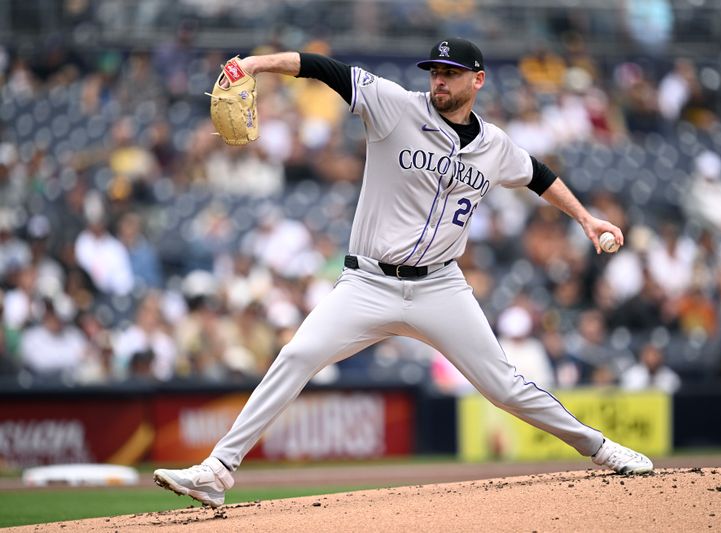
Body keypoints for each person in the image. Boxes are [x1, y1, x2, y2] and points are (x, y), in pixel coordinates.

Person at [154, 37, 653, 508]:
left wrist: (586, 218)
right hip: (367, 283)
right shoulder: (393, 105)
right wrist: (258, 65)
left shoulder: (494, 145)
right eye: (435, 71)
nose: (439, 80)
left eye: (451, 74)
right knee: (297, 355)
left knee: (504, 386)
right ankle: (218, 471)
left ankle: (602, 448)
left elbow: (539, 176)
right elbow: (323, 68)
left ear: (477, 81)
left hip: (440, 285)